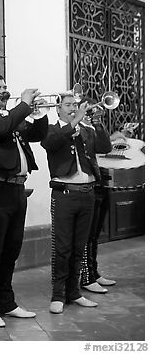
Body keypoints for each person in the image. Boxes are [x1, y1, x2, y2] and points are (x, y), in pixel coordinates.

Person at [0, 73, 48, 328]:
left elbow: (37, 134)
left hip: (17, 189)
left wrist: (37, 113)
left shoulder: (11, 116)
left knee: (12, 249)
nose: (4, 91)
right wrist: (24, 105)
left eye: (5, 87)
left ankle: (7, 302)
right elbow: (0, 131)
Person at [41, 92, 112, 314]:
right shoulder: (51, 129)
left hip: (87, 193)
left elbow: (105, 147)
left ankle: (74, 292)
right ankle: (58, 295)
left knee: (79, 246)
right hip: (65, 195)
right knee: (63, 248)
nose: (73, 108)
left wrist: (97, 121)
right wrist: (74, 121)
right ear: (58, 109)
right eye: (69, 105)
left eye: (75, 104)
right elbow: (51, 143)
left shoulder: (86, 130)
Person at [80, 100, 119, 294]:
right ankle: (85, 276)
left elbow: (105, 147)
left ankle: (93, 272)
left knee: (95, 235)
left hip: (97, 183)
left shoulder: (90, 127)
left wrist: (97, 123)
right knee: (86, 236)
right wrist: (82, 120)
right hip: (83, 187)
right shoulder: (74, 128)